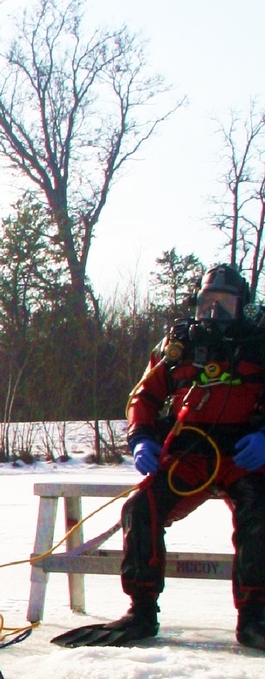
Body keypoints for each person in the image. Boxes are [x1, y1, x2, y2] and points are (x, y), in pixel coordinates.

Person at [54, 264, 265, 650]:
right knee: (141, 508)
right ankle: (141, 610)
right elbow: (144, 396)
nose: (213, 314)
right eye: (207, 304)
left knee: (260, 513)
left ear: (242, 307)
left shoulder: (258, 344)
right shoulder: (179, 345)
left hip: (242, 454)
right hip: (191, 453)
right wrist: (140, 438)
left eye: (224, 304)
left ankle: (256, 616)